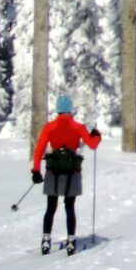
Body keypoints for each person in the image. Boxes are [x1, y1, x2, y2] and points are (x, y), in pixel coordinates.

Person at [29, 95, 101, 255]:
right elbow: (92, 144)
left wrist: (36, 170)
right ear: (70, 109)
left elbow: (39, 150)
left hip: (53, 170)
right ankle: (71, 241)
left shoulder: (50, 127)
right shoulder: (78, 127)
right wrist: (96, 135)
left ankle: (46, 239)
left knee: (50, 207)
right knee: (70, 207)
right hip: (71, 171)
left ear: (58, 109)